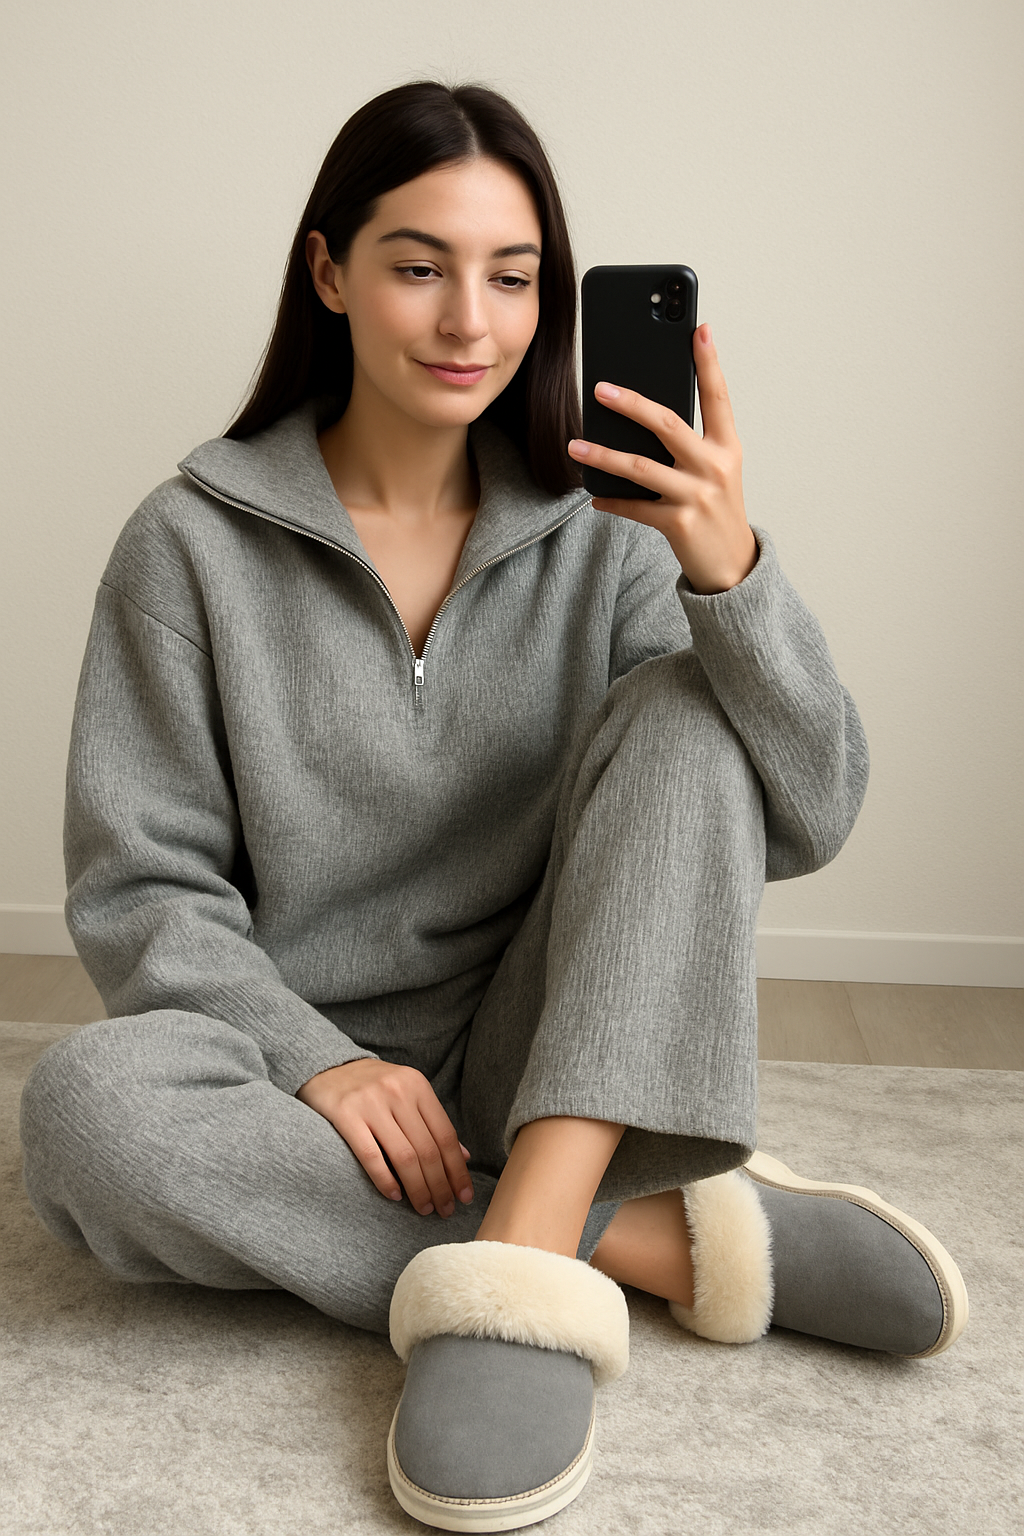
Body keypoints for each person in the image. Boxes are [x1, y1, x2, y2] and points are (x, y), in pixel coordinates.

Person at [20, 78, 967, 1532]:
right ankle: (663, 1239)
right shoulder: (188, 546)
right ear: (330, 272)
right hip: (303, 1095)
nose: (470, 320)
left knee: (689, 718)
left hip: (556, 1055)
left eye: (513, 277)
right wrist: (315, 1061)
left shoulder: (606, 529)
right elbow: (142, 892)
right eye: (419, 266)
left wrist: (730, 573)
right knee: (85, 1114)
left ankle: (523, 1260)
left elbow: (809, 807)